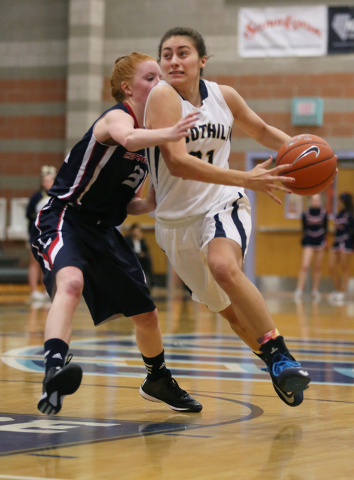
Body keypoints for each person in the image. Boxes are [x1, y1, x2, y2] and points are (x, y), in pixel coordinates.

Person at [144, 27, 311, 407]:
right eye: (166, 54)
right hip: (174, 224)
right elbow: (177, 162)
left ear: (202, 60)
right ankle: (273, 363)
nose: (173, 61)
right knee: (233, 317)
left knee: (224, 266)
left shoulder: (224, 96)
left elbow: (263, 130)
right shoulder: (162, 97)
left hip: (221, 202)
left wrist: (307, 152)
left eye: (183, 53)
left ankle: (280, 351)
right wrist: (247, 177)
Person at [31, 52, 203, 415]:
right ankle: (53, 371)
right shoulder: (117, 119)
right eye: (151, 78)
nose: (161, 84)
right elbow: (127, 138)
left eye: (162, 78)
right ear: (128, 87)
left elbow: (131, 206)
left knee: (147, 313)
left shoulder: (150, 145)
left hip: (103, 229)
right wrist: (171, 132)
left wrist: (153, 200)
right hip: (66, 216)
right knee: (71, 283)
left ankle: (157, 378)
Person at [26, 166, 56, 303]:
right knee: (35, 262)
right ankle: (33, 291)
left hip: (52, 234)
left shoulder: (58, 196)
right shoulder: (37, 197)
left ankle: (46, 290)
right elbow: (29, 214)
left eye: (49, 181)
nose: (47, 183)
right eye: (45, 181)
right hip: (36, 233)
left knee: (48, 263)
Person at [294, 194, 328, 302]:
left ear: (320, 201)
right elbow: (303, 228)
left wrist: (325, 242)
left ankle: (315, 290)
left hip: (320, 241)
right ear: (310, 201)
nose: (316, 201)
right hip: (309, 240)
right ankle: (299, 290)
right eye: (314, 199)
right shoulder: (305, 213)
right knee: (305, 265)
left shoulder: (324, 213)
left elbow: (325, 228)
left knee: (317, 267)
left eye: (317, 200)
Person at [328, 192, 354, 304]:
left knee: (344, 267)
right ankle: (337, 289)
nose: (338, 203)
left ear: (345, 202)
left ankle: (342, 292)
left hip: (347, 242)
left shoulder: (351, 215)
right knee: (331, 266)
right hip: (336, 242)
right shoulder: (338, 215)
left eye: (340, 201)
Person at [125, 223, 154, 289]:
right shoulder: (128, 239)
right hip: (133, 257)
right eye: (136, 230)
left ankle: (150, 280)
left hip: (141, 258)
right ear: (132, 231)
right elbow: (128, 250)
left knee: (148, 259)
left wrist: (143, 253)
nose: (137, 232)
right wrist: (138, 254)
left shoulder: (141, 240)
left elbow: (146, 249)